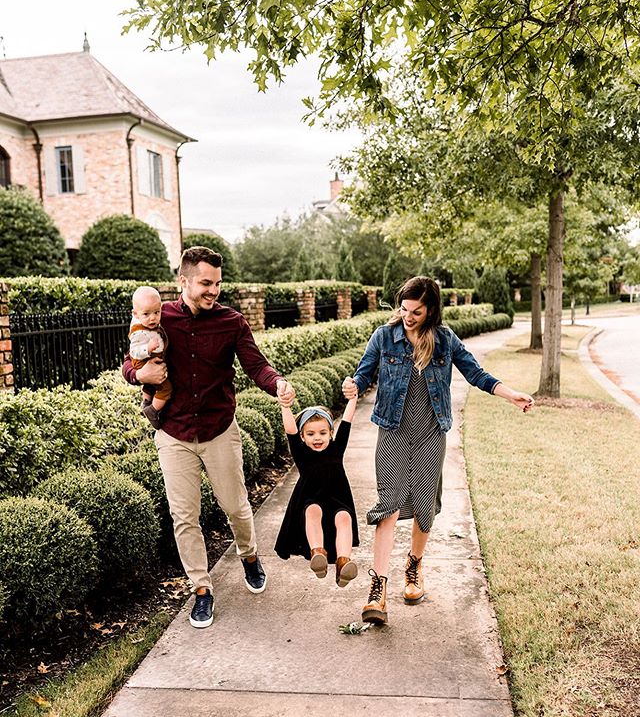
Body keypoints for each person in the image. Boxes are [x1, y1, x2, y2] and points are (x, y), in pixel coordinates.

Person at [342, 275, 534, 625]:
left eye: (416, 311)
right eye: (403, 309)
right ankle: (378, 588)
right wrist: (352, 384)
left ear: (431, 311)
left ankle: (413, 566)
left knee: (424, 508)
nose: (408, 316)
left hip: (431, 434)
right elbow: (363, 372)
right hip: (393, 432)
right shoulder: (384, 336)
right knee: (388, 505)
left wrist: (511, 394)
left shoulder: (445, 341)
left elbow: (476, 374)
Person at [122, 246, 296, 629]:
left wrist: (278, 383)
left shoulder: (231, 322)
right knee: (184, 516)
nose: (213, 290)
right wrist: (140, 376)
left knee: (235, 506)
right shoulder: (158, 317)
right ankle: (201, 589)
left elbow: (256, 365)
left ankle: (249, 555)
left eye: (217, 283)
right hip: (174, 432)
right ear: (182, 281)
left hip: (219, 429)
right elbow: (131, 361)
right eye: (205, 283)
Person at [274, 396, 359, 587]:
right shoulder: (302, 454)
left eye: (322, 432)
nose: (317, 438)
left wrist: (353, 398)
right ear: (303, 437)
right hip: (310, 498)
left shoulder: (337, 449)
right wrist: (285, 406)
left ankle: (343, 562)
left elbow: (346, 421)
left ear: (330, 433)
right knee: (312, 511)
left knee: (345, 518)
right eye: (310, 434)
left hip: (338, 499)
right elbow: (290, 431)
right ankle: (317, 553)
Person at [128, 286, 172, 430]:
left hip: (151, 359)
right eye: (146, 314)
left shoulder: (153, 324)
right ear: (135, 314)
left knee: (150, 385)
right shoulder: (139, 332)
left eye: (156, 312)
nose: (152, 318)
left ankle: (146, 402)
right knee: (166, 388)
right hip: (143, 361)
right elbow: (133, 352)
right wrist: (147, 349)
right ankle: (152, 411)